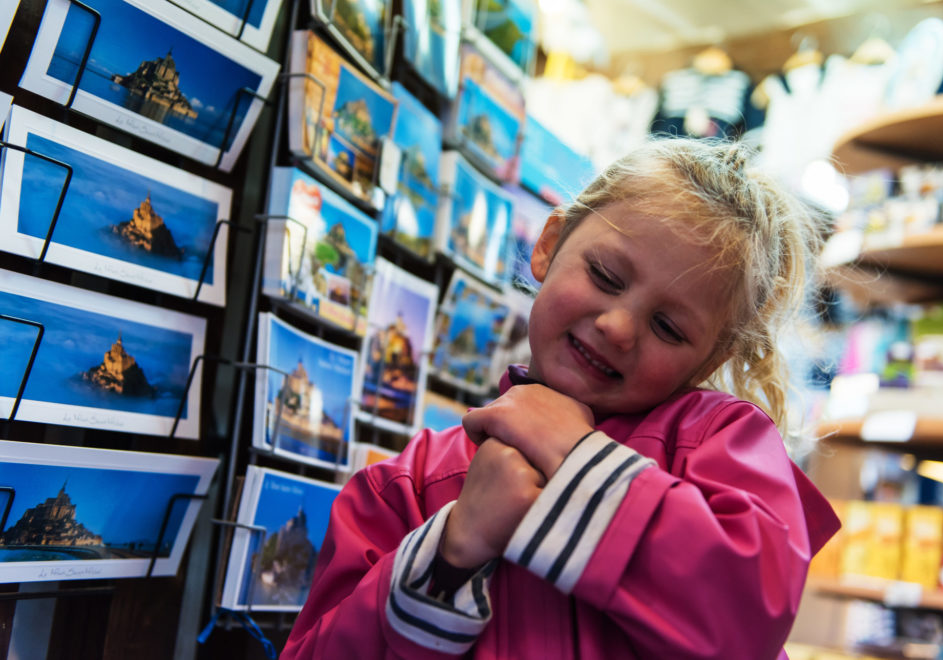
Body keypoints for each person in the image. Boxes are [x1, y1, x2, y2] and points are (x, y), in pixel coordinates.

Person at [281, 138, 841, 659]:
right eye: (604, 275)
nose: (619, 328)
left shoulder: (720, 442)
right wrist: (452, 549)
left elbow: (750, 614)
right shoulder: (412, 481)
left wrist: (573, 458)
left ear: (710, 359)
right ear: (548, 246)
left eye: (669, 327)